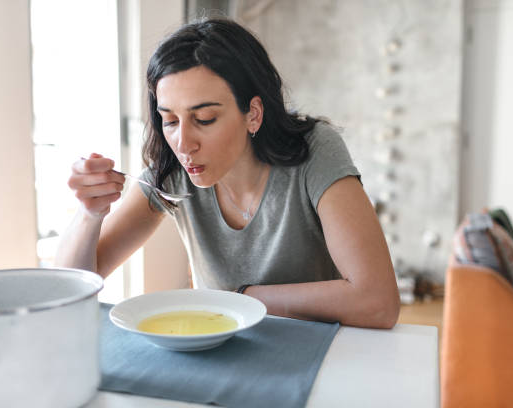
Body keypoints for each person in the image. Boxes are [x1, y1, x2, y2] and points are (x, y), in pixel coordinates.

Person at [55, 18, 400, 328]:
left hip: (314, 353)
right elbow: (72, 289)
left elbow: (377, 303)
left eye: (204, 119)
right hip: (215, 353)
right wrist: (89, 214)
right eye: (170, 120)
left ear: (253, 113)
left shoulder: (315, 151)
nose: (183, 143)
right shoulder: (171, 174)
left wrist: (247, 298)